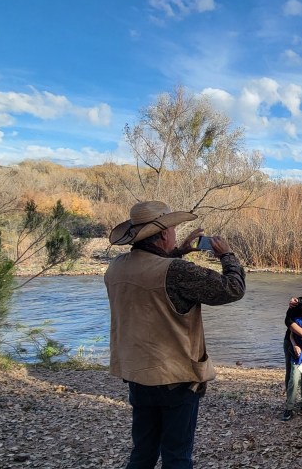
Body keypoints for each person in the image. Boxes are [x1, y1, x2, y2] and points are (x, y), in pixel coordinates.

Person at [105, 200, 246, 468]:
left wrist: (179, 251)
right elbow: (232, 288)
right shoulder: (177, 271)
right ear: (162, 234)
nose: (175, 232)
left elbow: (151, 275)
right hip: (175, 377)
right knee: (177, 456)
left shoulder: (116, 267)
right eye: (173, 228)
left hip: (137, 374)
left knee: (143, 452)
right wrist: (227, 256)